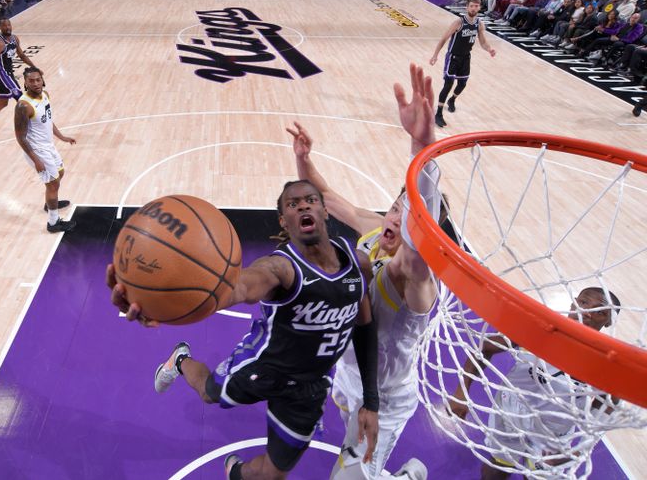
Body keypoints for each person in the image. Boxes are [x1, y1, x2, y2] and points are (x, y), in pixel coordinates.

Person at [110, 180, 381, 480]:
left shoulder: (359, 265)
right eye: (292, 204)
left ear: (324, 210)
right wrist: (156, 303)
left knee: (274, 475)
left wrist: (371, 401)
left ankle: (235, 472)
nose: (303, 205)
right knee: (209, 392)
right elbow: (235, 289)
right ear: (284, 220)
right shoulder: (280, 269)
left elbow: (365, 328)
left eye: (310, 200)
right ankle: (181, 359)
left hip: (309, 385)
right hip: (264, 367)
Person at [288, 64, 442, 480]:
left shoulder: (415, 278)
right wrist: (304, 160)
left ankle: (409, 476)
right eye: (396, 206)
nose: (395, 217)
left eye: (406, 215)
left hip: (387, 397)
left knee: (352, 478)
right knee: (353, 461)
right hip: (350, 374)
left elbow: (416, 249)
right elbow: (329, 200)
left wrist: (422, 148)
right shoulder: (376, 229)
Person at [448, 287, 621, 479]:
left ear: (609, 321)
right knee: (497, 468)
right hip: (510, 412)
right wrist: (460, 393)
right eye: (584, 302)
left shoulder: (608, 363)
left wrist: (582, 448)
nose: (587, 312)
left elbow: (607, 404)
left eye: (601, 312)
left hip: (554, 431)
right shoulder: (539, 329)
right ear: (574, 302)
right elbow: (483, 349)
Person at [14, 67, 77, 232]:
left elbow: (48, 120)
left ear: (42, 80)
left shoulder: (45, 95)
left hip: (48, 146)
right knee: (53, 184)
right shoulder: (23, 105)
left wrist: (62, 137)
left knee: (60, 173)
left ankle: (49, 203)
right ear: (25, 83)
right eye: (31, 81)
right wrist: (36, 160)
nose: (35, 83)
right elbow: (20, 137)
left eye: (38, 80)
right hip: (37, 150)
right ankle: (53, 222)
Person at [429, 0, 496, 128]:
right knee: (448, 84)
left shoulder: (479, 24)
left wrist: (490, 49)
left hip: (466, 58)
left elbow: (483, 42)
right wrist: (435, 55)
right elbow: (443, 39)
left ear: (479, 8)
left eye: (476, 6)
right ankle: (438, 114)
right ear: (467, 7)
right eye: (472, 6)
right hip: (453, 57)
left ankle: (452, 99)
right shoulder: (458, 22)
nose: (474, 8)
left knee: (462, 84)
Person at [0, 17, 36, 141]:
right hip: (1, 73)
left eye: (9, 25)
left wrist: (34, 67)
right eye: (4, 26)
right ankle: (31, 129)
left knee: (3, 102)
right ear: (0, 27)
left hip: (8, 72)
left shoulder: (14, 39)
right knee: (21, 99)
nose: (7, 27)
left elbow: (22, 55)